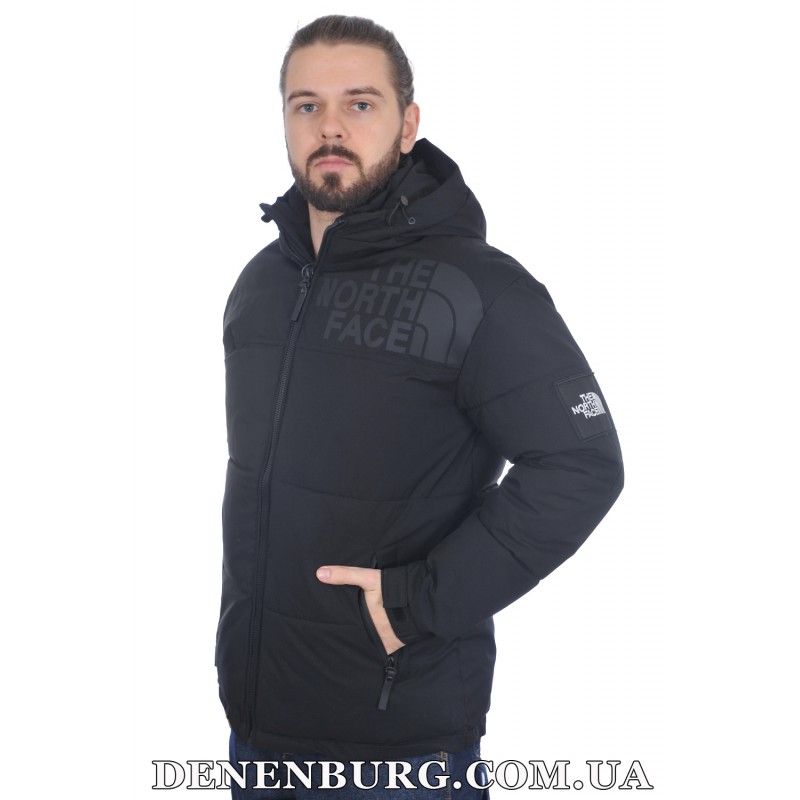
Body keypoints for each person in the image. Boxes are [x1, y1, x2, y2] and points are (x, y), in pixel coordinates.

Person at [216, 14, 624, 798]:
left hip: (401, 750)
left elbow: (581, 464)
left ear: (407, 125)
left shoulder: (479, 290)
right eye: (306, 105)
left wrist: (417, 603)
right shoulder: (261, 285)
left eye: (359, 103)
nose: (330, 127)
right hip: (257, 733)